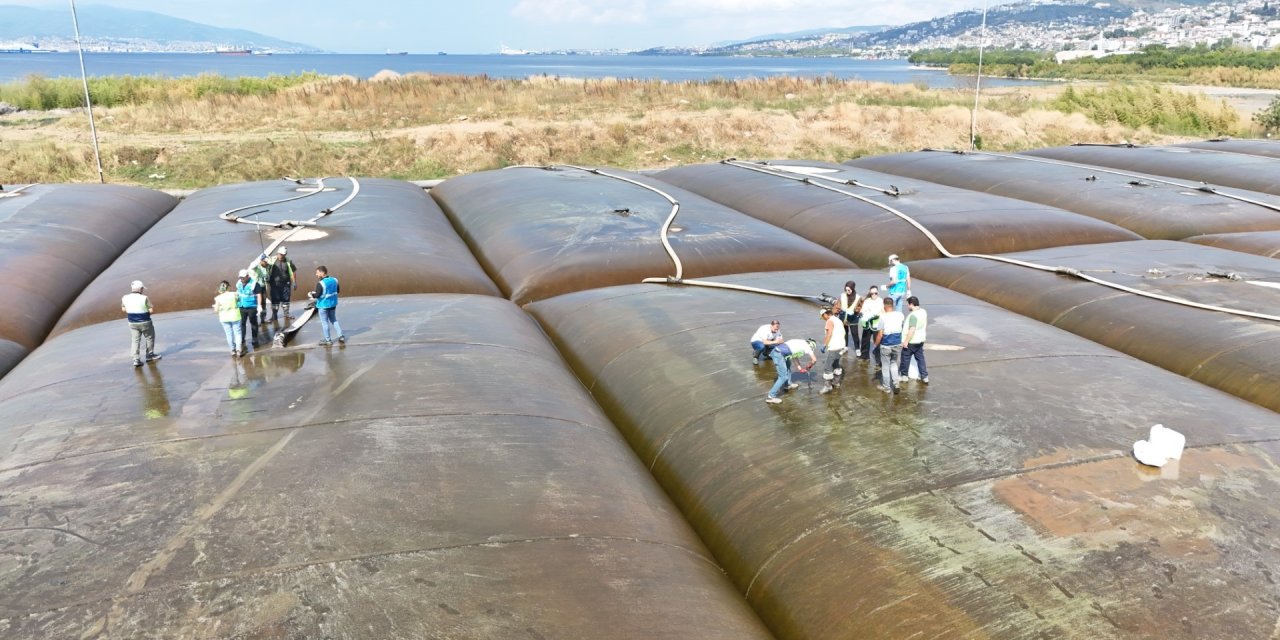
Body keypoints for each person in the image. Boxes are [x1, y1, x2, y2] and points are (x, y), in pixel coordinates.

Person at [765, 337, 818, 404]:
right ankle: (771, 396)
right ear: (811, 345)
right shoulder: (807, 346)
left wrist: (800, 368)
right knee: (783, 377)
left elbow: (794, 356)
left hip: (780, 353)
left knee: (788, 365)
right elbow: (814, 360)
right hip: (778, 354)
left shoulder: (800, 342)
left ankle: (788, 385)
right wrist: (810, 365)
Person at [121, 280, 160, 367]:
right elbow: (151, 310)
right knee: (149, 337)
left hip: (132, 322)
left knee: (135, 340)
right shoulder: (144, 298)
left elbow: (123, 309)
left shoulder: (125, 297)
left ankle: (136, 359)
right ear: (140, 289)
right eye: (142, 288)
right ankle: (149, 355)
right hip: (145, 321)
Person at [875, 298, 905, 394]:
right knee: (894, 364)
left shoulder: (883, 317)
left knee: (885, 366)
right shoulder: (900, 315)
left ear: (884, 305)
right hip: (897, 344)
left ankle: (887, 387)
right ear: (892, 305)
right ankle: (896, 384)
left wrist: (875, 344)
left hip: (886, 345)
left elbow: (880, 334)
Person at [310, 265, 345, 346]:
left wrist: (311, 294)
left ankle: (328, 340)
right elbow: (338, 290)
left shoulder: (320, 283)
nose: (316, 274)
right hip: (333, 304)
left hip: (323, 306)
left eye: (317, 273)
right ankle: (341, 336)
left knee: (325, 323)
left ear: (322, 273)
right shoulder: (335, 280)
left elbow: (317, 295)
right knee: (334, 320)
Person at [899, 295, 929, 384]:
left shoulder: (913, 315)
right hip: (920, 340)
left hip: (911, 341)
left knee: (905, 358)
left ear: (911, 304)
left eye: (908, 305)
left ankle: (904, 376)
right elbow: (925, 324)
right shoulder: (923, 312)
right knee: (920, 359)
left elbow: (912, 329)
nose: (907, 306)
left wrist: (906, 341)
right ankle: (924, 376)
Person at [818, 306, 847, 395]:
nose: (823, 319)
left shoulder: (829, 321)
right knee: (835, 364)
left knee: (827, 367)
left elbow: (829, 334)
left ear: (825, 314)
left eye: (822, 317)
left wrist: (824, 345)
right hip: (841, 346)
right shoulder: (838, 320)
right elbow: (844, 332)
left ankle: (828, 386)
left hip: (834, 347)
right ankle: (836, 382)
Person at [213, 280, 243, 357]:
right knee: (237, 333)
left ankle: (232, 350)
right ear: (228, 287)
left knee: (229, 334)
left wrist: (216, 307)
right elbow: (239, 301)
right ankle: (239, 350)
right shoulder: (234, 294)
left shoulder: (218, 298)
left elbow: (216, 310)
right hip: (235, 316)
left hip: (224, 318)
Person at [268, 246, 297, 322]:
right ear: (277, 253)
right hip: (274, 285)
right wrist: (263, 259)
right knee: (275, 300)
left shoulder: (288, 261)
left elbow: (293, 271)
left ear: (285, 254)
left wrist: (294, 282)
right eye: (280, 254)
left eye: (283, 254)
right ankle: (274, 316)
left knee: (286, 299)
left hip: (285, 284)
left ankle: (286, 314)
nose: (281, 256)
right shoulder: (272, 260)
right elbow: (263, 266)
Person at [236, 269, 262, 351]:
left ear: (248, 276)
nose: (242, 279)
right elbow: (238, 293)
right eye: (240, 277)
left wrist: (259, 306)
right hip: (241, 306)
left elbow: (258, 295)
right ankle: (242, 339)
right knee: (242, 323)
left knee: (253, 323)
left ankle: (255, 338)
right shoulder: (239, 283)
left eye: (243, 277)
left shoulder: (254, 284)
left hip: (252, 307)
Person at [858, 286, 883, 362]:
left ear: (878, 293)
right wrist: (862, 313)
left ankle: (878, 358)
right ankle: (864, 356)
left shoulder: (881, 301)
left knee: (877, 341)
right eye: (872, 293)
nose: (873, 295)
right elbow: (863, 310)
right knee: (865, 340)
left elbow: (881, 311)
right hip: (867, 323)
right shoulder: (867, 301)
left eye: (875, 293)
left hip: (876, 324)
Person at [839, 280, 861, 357]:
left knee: (854, 333)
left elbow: (860, 307)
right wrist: (835, 311)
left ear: (853, 289)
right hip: (843, 315)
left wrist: (855, 311)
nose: (847, 291)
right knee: (844, 332)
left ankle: (857, 349)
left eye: (849, 290)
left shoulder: (858, 297)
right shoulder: (842, 295)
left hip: (853, 317)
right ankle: (845, 347)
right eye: (846, 289)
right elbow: (838, 304)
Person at [253, 257, 272, 324]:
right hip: (256, 287)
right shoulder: (256, 267)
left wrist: (267, 278)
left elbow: (267, 277)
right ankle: (255, 321)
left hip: (263, 287)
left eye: (267, 262)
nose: (267, 263)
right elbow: (252, 266)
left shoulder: (267, 267)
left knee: (263, 304)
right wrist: (260, 260)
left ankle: (263, 319)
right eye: (265, 262)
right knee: (256, 304)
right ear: (262, 261)